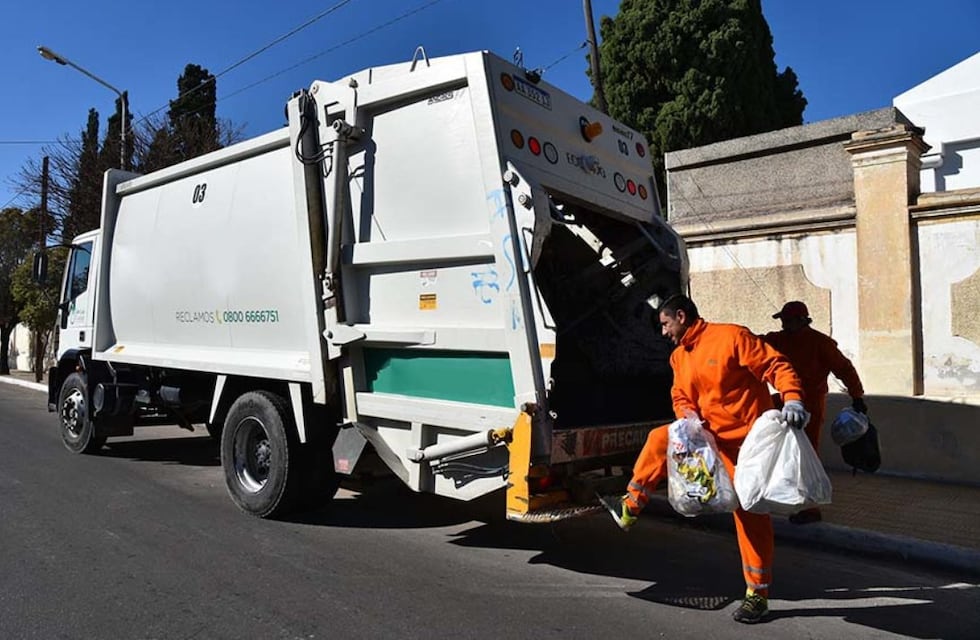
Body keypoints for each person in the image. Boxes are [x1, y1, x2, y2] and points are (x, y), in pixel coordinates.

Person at [602, 293, 806, 624]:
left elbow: (775, 365)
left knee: (750, 515)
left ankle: (757, 595)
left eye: (665, 324)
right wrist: (687, 418)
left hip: (750, 448)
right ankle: (630, 506)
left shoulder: (731, 337)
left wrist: (793, 399)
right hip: (711, 442)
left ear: (681, 316)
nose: (664, 332)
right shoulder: (679, 357)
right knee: (659, 438)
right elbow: (680, 394)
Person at [762, 300, 866, 525]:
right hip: (784, 401)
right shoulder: (780, 339)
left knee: (806, 455)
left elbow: (844, 369)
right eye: (782, 321)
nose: (784, 325)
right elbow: (754, 342)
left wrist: (857, 396)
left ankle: (811, 508)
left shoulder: (820, 343)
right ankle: (784, 496)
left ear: (802, 321)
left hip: (810, 406)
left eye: (788, 321)